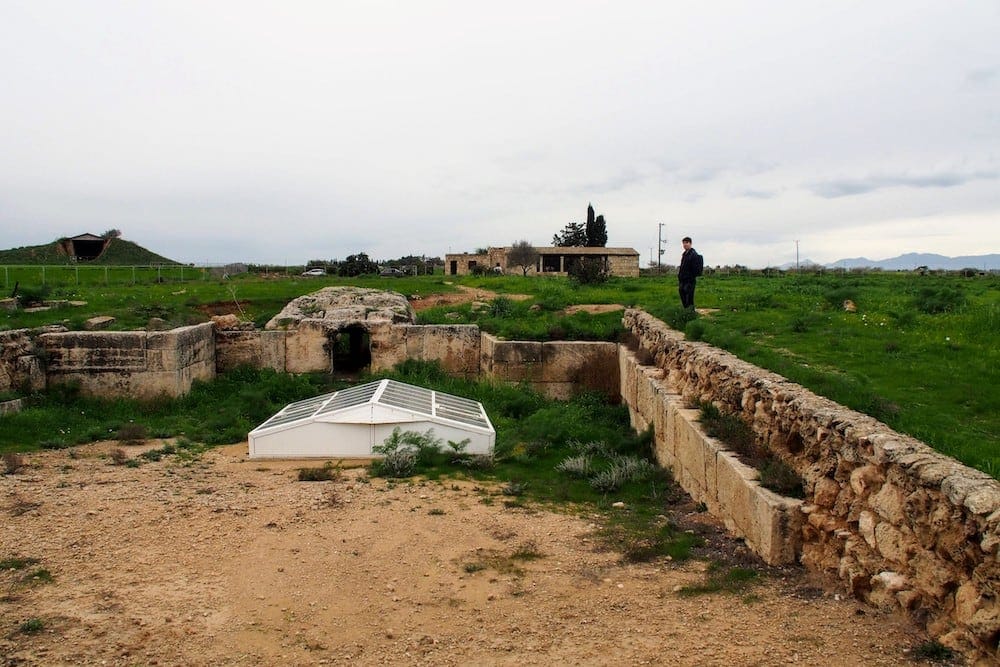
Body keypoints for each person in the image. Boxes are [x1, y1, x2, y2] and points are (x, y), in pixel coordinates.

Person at [677, 236, 703, 309]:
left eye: (686, 243)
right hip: (682, 279)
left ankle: (690, 312)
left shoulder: (693, 254)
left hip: (689, 280)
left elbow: (694, 269)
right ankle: (686, 310)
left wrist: (690, 276)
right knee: (682, 294)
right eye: (684, 243)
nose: (685, 245)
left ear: (690, 243)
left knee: (689, 297)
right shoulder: (684, 254)